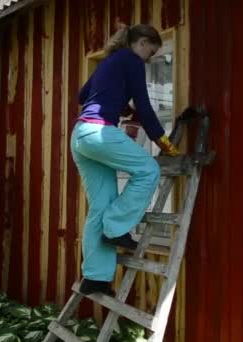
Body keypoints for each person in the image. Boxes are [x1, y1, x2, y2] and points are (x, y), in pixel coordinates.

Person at [71, 24, 179, 296]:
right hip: (99, 132)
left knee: (100, 206)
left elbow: (83, 96)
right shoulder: (131, 60)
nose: (149, 59)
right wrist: (162, 141)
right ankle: (116, 226)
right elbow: (144, 104)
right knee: (148, 169)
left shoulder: (109, 62)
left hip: (80, 136)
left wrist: (121, 105)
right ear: (142, 43)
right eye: (150, 53)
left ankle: (94, 278)